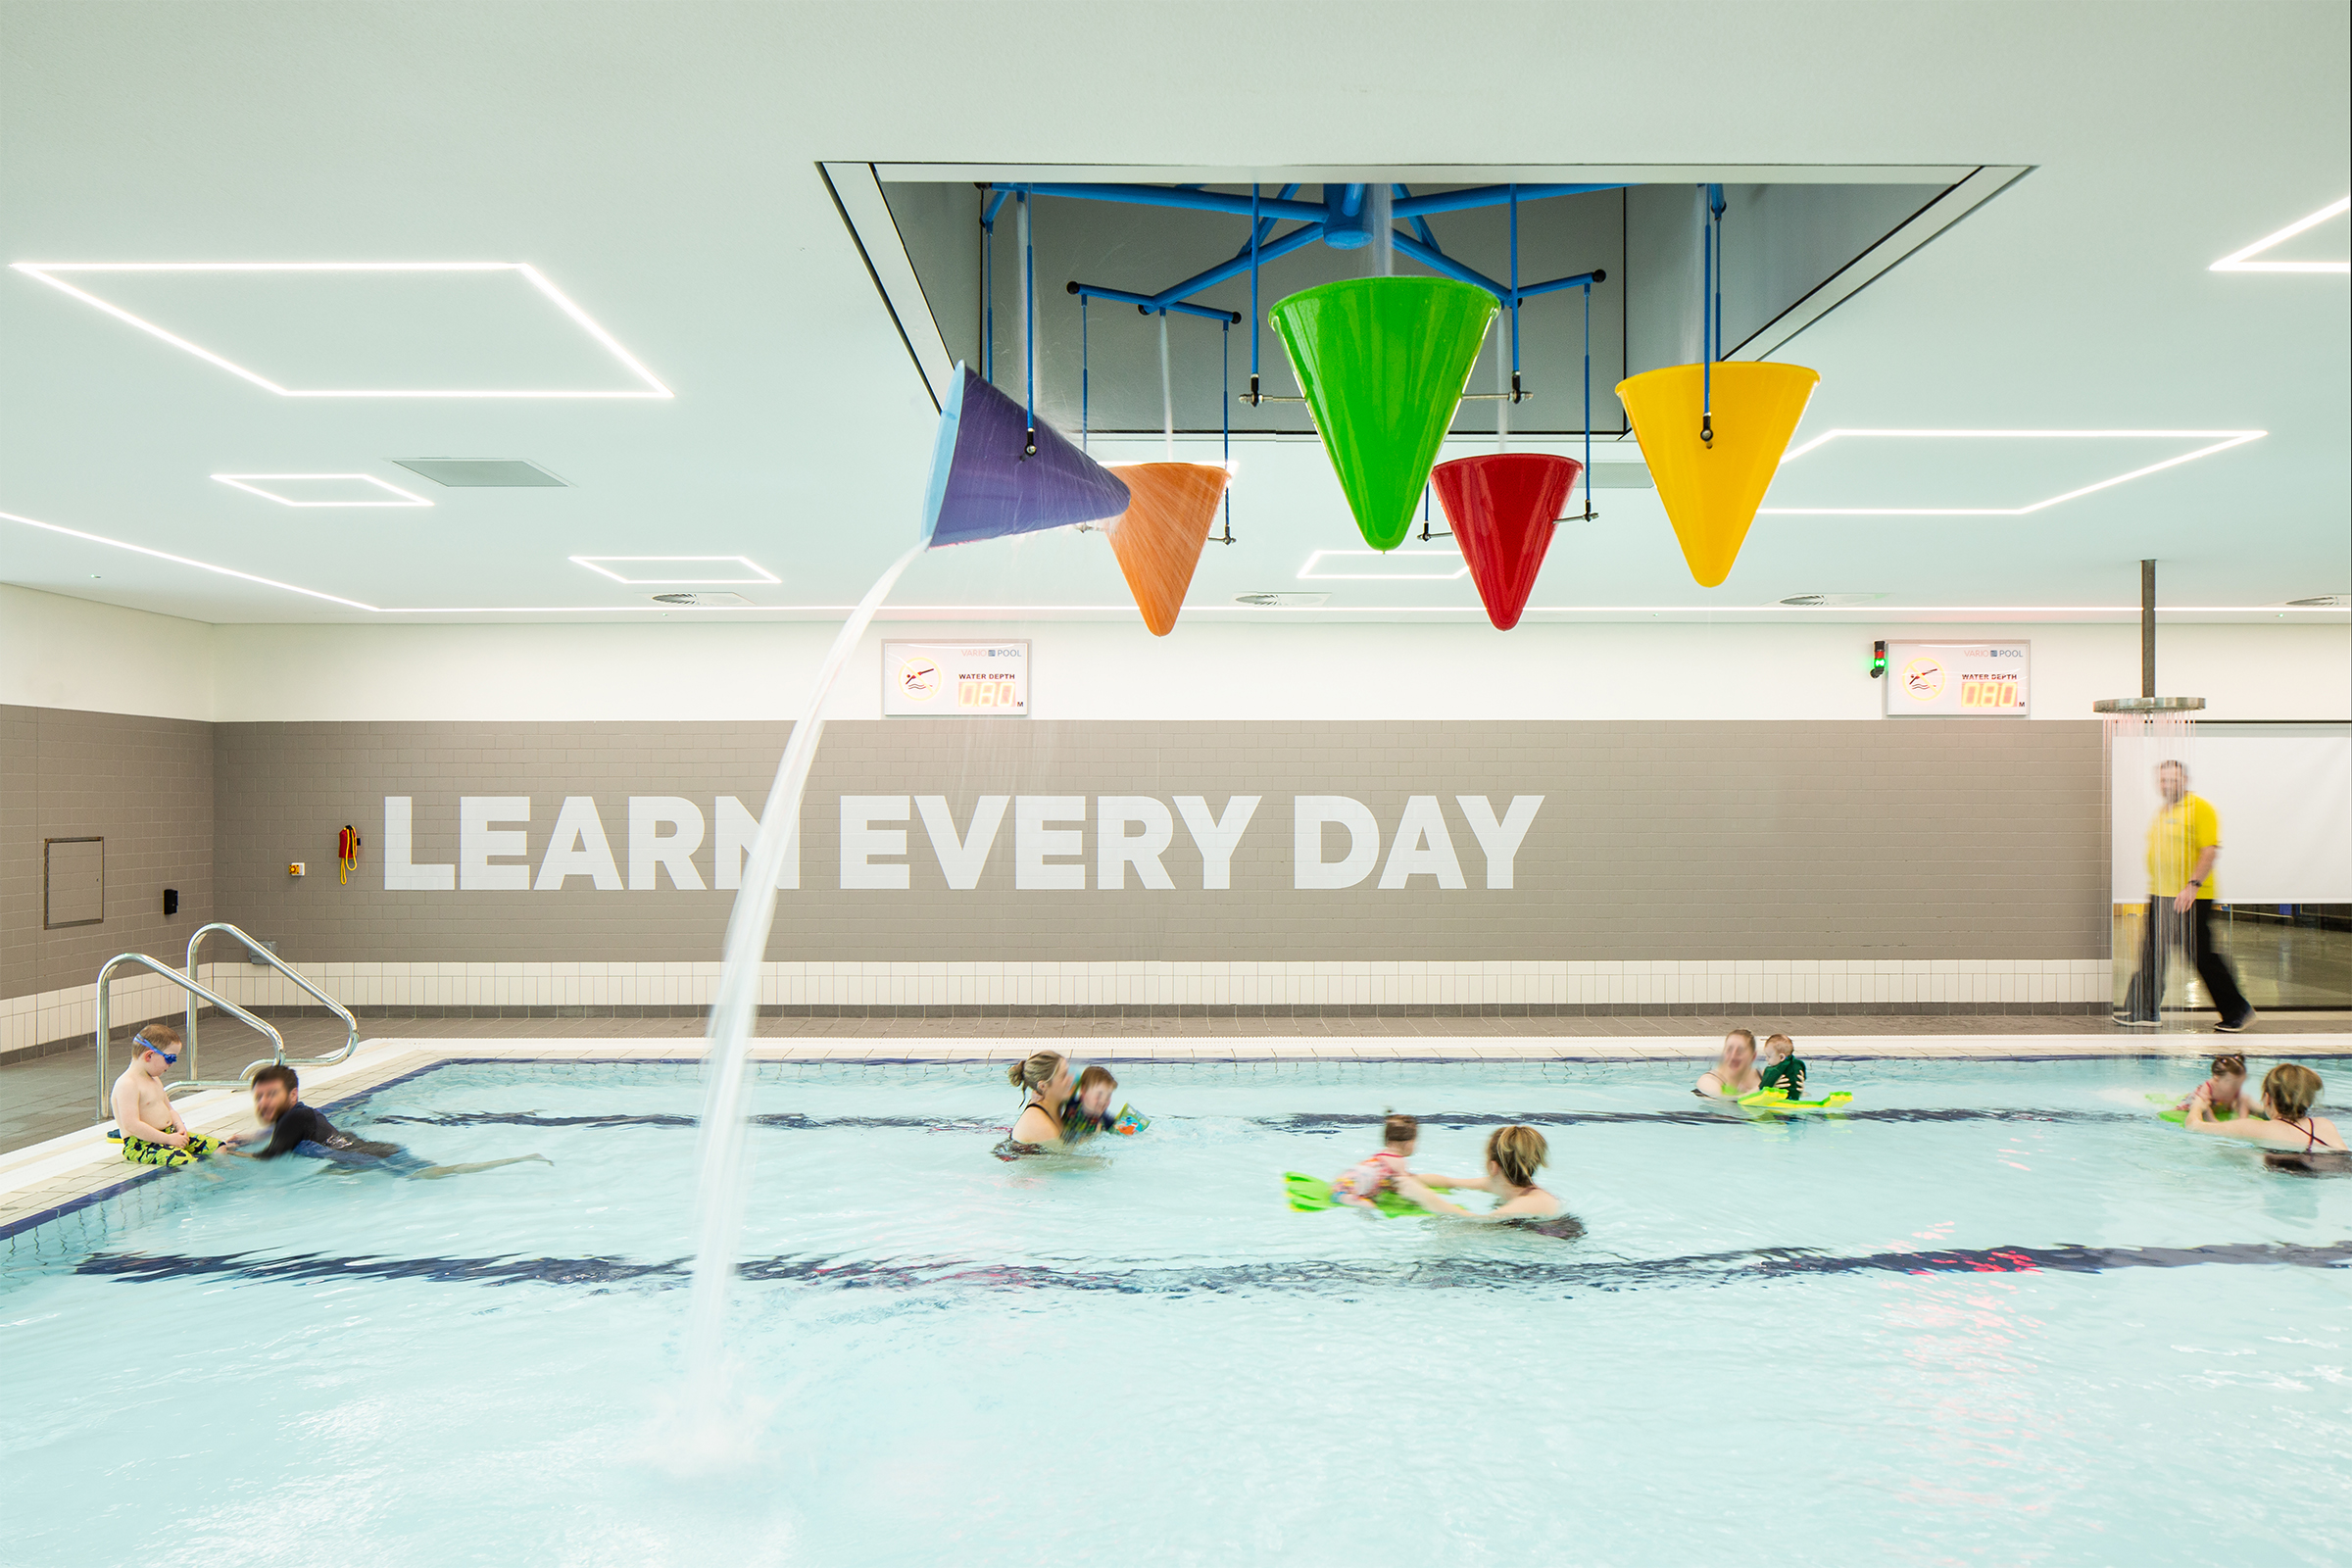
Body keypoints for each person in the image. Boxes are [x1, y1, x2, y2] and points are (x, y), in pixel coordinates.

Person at [224, 1064, 548, 1178]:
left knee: (437, 1174)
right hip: (367, 1150)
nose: (263, 1103)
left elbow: (268, 1157)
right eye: (259, 1096)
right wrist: (254, 1135)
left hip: (369, 1157)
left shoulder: (294, 1119)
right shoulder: (300, 1113)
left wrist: (229, 1153)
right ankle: (519, 1158)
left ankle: (517, 1160)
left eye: (271, 1095)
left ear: (292, 1095)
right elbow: (284, 1133)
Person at [2121, 760, 2255, 1033]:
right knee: (2152, 953)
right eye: (2163, 780)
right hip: (2162, 895)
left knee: (2201, 955)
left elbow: (2209, 850)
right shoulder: (2163, 811)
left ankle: (2237, 1010)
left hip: (2191, 897)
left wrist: (2193, 885)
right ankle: (2145, 1010)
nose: (2167, 785)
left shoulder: (2199, 808)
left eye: (2173, 779)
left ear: (2185, 781)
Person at [1391, 1125, 1566, 1224]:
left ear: (1493, 1167)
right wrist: (1402, 1178)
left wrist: (1425, 1197)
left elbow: (1478, 1223)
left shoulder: (1533, 1201)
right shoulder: (1500, 1184)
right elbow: (1451, 1182)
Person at [108, 1025, 223, 1167]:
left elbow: (169, 1109)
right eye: (170, 1058)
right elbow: (132, 1125)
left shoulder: (155, 1079)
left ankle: (225, 1171)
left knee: (218, 1147)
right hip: (141, 1144)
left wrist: (179, 1126)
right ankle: (207, 1178)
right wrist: (168, 1140)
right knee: (185, 1161)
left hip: (168, 1134)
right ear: (149, 1056)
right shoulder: (127, 1084)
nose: (172, 1064)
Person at [2182, 1063, 2344, 1154]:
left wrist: (2197, 1105)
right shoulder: (2324, 1125)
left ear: (2268, 1098)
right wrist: (2257, 1110)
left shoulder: (2252, 1128)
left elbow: (2193, 1126)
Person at [994, 1050, 1074, 1157]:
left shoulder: (1052, 1104)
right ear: (1043, 1086)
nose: (1071, 1079)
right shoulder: (1041, 1126)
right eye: (1063, 1076)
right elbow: (1064, 1161)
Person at [1330, 1113, 1418, 1208]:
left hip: (1342, 1183)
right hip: (1346, 1191)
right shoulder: (1398, 1162)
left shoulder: (1382, 1155)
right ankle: (1346, 1199)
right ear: (1408, 1144)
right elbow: (1405, 1186)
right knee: (1369, 1206)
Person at [2172, 1053, 2264, 1120]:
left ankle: (2264, 1113)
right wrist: (2214, 1123)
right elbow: (2204, 1107)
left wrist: (2242, 1120)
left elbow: (2242, 1102)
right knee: (2199, 1103)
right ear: (2216, 1077)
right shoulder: (2208, 1087)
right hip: (2201, 1104)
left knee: (2246, 1100)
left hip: (2222, 1104)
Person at [1695, 1030, 1761, 1099]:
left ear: (1753, 1056)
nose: (1733, 1057)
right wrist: (1756, 1092)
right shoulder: (1709, 1081)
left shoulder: (1761, 1077)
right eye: (1729, 1050)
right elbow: (1722, 1101)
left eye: (1740, 1051)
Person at [1756, 1033, 1807, 1102]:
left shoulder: (1774, 1070)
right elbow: (1804, 1076)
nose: (1766, 1059)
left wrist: (1767, 1089)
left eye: (1769, 1056)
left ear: (1781, 1057)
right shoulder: (1798, 1064)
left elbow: (1762, 1088)